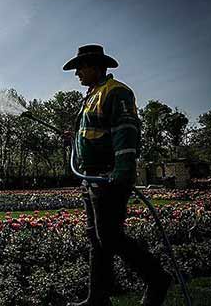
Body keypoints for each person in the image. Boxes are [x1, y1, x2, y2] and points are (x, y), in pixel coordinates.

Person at [63, 44, 172, 306]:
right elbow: (94, 133)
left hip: (108, 177)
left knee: (109, 236)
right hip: (90, 178)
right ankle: (97, 298)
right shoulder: (91, 95)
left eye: (80, 67)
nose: (77, 73)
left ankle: (157, 278)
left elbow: (126, 130)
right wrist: (74, 140)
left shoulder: (116, 92)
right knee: (96, 238)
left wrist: (122, 170)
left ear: (95, 66)